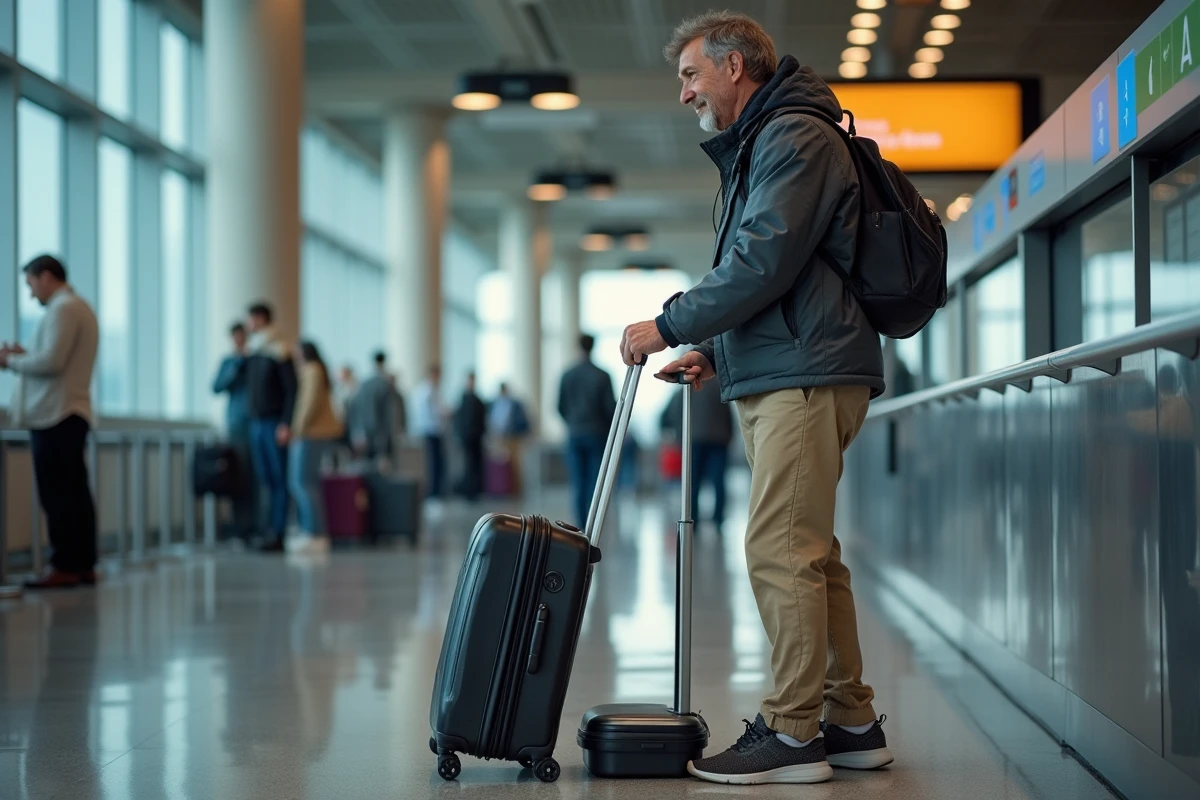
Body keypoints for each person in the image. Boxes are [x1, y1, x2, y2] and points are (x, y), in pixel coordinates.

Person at [618, 12, 891, 784]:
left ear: (736, 67)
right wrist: (713, 348)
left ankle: (794, 733)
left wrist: (669, 324)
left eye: (692, 75)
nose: (684, 93)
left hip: (805, 376)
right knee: (813, 555)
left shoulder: (792, 137)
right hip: (792, 365)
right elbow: (786, 272)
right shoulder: (772, 140)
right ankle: (850, 720)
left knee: (779, 550)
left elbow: (763, 259)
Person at [0, 255, 99, 588]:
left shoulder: (64, 309)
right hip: (69, 411)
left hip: (56, 413)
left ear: (46, 276)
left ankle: (66, 565)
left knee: (58, 493)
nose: (31, 295)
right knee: (74, 491)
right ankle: (82, 563)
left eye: (30, 284)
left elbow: (52, 362)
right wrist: (24, 355)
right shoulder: (78, 307)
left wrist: (12, 360)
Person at [244, 302, 297, 552]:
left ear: (261, 318)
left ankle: (278, 532)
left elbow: (291, 390)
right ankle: (265, 530)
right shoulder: (253, 352)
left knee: (278, 479)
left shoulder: (279, 351)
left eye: (251, 319)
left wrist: (286, 423)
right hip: (256, 423)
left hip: (274, 423)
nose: (248, 325)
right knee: (264, 478)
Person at [287, 341, 344, 554]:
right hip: (315, 433)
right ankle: (312, 531)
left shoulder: (311, 371)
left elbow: (308, 404)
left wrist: (296, 429)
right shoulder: (319, 370)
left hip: (310, 433)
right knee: (309, 483)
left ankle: (314, 532)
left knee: (301, 482)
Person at [557, 334, 617, 529]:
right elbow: (611, 408)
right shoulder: (602, 375)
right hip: (596, 434)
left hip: (575, 434)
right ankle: (593, 523)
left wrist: (573, 423)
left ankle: (581, 523)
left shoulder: (568, 375)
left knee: (578, 481)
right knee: (594, 481)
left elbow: (559, 406)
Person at [660, 380, 734, 530]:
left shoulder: (686, 387)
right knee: (718, 481)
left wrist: (678, 436)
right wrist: (728, 436)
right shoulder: (719, 386)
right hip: (719, 440)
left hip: (693, 440)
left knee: (692, 482)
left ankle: (693, 519)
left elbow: (667, 415)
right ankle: (718, 519)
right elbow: (728, 416)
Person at [212, 322, 256, 539]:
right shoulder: (229, 362)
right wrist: (236, 366)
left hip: (255, 424)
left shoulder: (255, 360)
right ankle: (240, 526)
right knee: (238, 475)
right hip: (236, 425)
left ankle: (256, 524)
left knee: (256, 477)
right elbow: (216, 387)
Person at [351, 351, 406, 463]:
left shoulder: (364, 384)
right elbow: (392, 411)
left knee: (369, 465)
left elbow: (356, 409)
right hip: (383, 433)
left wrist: (358, 431)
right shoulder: (387, 384)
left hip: (367, 431)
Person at [411, 364, 447, 499]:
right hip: (430, 431)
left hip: (434, 431)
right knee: (433, 463)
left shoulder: (430, 390)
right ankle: (433, 492)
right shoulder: (427, 391)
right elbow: (436, 412)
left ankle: (436, 491)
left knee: (436, 463)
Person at [487, 382, 530, 494]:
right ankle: (501, 488)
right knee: (500, 465)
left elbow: (524, 422)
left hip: (513, 437)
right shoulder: (495, 404)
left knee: (515, 465)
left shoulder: (515, 404)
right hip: (499, 437)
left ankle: (516, 490)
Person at [452, 372, 487, 501]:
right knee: (468, 464)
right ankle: (469, 491)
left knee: (476, 465)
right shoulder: (463, 399)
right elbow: (459, 420)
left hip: (477, 438)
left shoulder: (477, 400)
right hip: (467, 438)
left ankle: (476, 491)